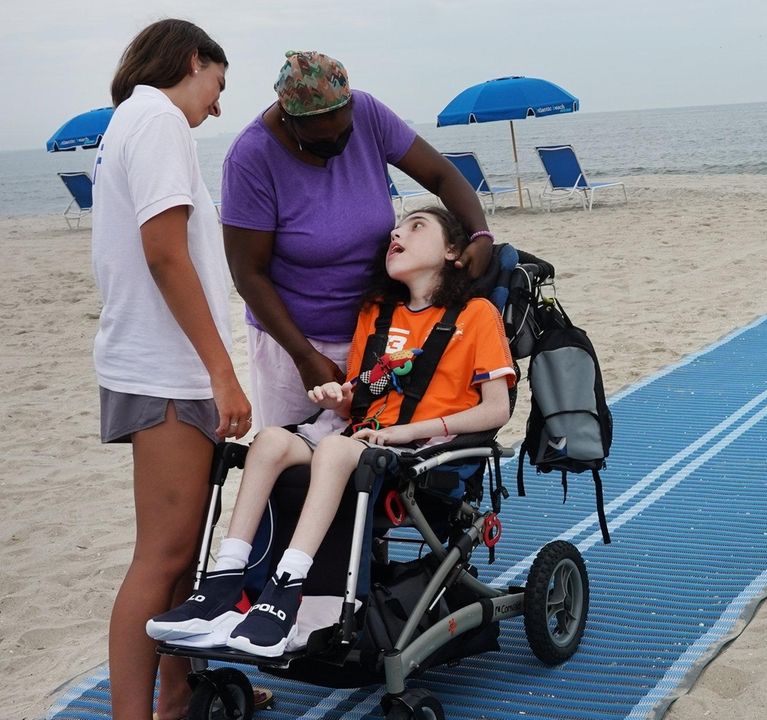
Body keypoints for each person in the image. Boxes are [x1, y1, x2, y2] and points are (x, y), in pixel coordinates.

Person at [146, 207, 516, 657]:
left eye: (417, 226)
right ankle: (224, 580)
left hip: (424, 453)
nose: (397, 232)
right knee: (270, 441)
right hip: (361, 439)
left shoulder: (476, 315)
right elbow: (362, 395)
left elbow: (497, 410)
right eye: (397, 227)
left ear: (453, 251)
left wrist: (407, 432)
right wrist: (338, 398)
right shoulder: (376, 313)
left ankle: (287, 586)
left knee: (336, 450)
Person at [91, 19, 253, 720]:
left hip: (154, 363)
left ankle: (178, 698)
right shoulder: (157, 120)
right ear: (193, 60)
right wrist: (222, 372)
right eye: (219, 81)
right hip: (165, 371)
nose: (219, 103)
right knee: (161, 557)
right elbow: (164, 252)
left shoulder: (131, 122)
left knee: (182, 553)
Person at [220, 51, 495, 432]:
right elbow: (247, 273)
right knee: (290, 454)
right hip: (293, 343)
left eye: (343, 133)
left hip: (381, 331)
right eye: (320, 140)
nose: (336, 144)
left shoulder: (368, 113)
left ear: (351, 105)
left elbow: (441, 176)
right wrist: (304, 356)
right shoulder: (250, 159)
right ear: (288, 119)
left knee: (370, 452)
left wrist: (480, 234)